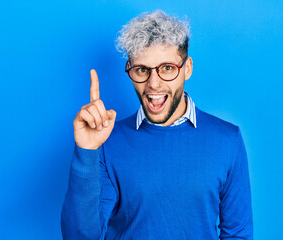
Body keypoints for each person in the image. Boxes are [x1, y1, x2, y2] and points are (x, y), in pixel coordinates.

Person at [61, 10, 253, 240]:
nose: (154, 83)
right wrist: (86, 151)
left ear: (187, 69)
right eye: (142, 69)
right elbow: (81, 237)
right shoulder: (107, 141)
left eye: (167, 68)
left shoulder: (227, 140)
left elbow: (238, 235)